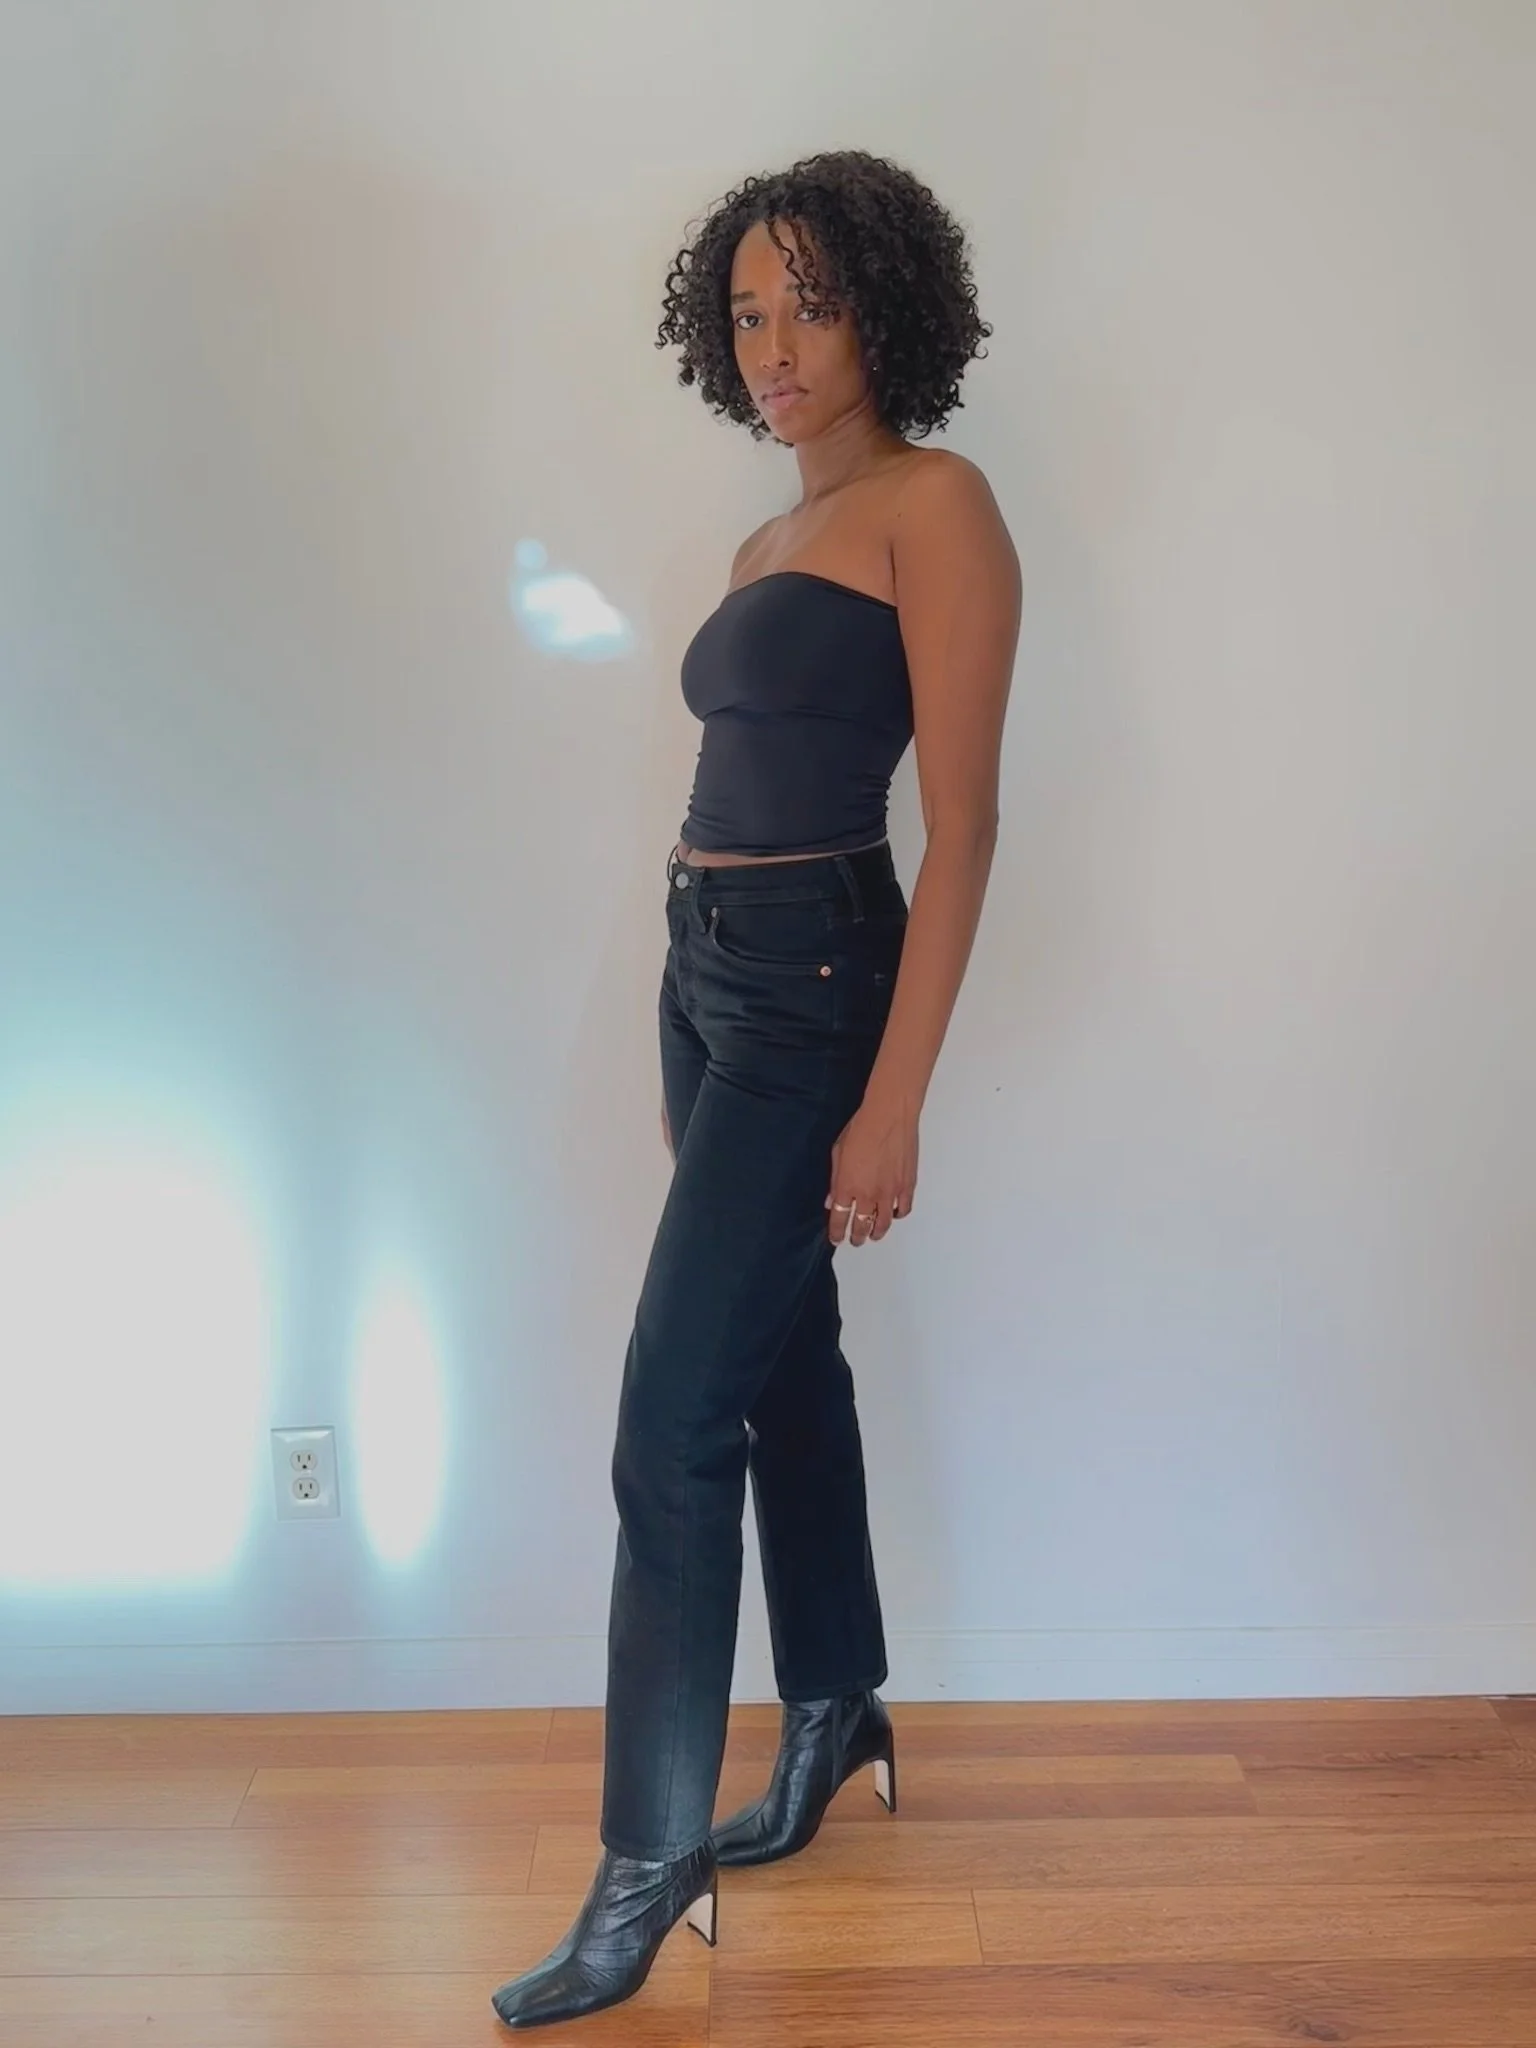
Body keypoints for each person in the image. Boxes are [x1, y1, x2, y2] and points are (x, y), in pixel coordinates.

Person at [492, 147, 1020, 2030]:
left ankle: (648, 1869)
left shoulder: (938, 507)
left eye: (810, 303)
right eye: (746, 314)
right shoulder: (766, 544)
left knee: (670, 1417)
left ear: (884, 306)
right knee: (783, 1364)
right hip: (705, 979)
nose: (777, 346)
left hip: (814, 985)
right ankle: (834, 1705)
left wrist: (896, 1100)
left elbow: (962, 833)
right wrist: (680, 1005)